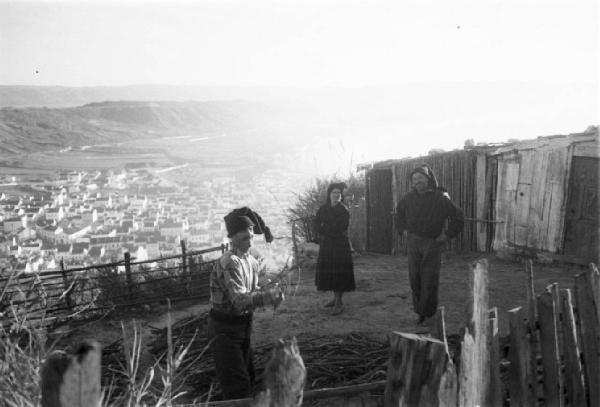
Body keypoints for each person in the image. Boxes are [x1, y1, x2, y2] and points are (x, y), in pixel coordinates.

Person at [208, 208, 284, 400]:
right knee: (238, 388)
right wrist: (268, 297)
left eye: (250, 231)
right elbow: (240, 301)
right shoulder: (230, 262)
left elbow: (257, 283)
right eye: (243, 233)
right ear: (232, 237)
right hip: (225, 332)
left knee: (247, 378)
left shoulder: (250, 260)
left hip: (243, 328)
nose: (249, 236)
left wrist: (271, 286)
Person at [395, 164, 464, 326]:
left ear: (428, 179)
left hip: (432, 243)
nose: (417, 181)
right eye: (414, 179)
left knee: (429, 279)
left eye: (420, 178)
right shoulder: (408, 198)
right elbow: (398, 214)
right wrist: (402, 229)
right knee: (415, 279)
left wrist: (447, 235)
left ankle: (429, 313)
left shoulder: (440, 198)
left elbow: (458, 217)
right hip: (413, 243)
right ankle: (420, 311)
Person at [314, 182, 356, 315]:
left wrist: (324, 228)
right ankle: (334, 298)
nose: (336, 195)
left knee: (339, 273)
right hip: (327, 245)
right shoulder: (323, 208)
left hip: (339, 245)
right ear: (329, 194)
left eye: (339, 193)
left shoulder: (343, 210)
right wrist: (322, 229)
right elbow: (316, 223)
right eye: (334, 193)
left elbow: (340, 228)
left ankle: (339, 303)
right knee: (330, 272)